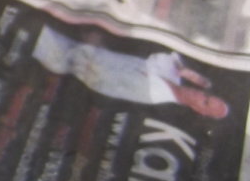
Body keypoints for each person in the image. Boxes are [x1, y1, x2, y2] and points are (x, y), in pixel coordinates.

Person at [31, 25, 230, 119]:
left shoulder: (151, 95)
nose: (200, 95)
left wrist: (91, 46)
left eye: (204, 102)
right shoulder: (173, 76)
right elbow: (167, 55)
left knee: (32, 34)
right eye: (207, 95)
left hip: (64, 54)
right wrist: (194, 76)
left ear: (197, 110)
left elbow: (99, 80)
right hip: (75, 42)